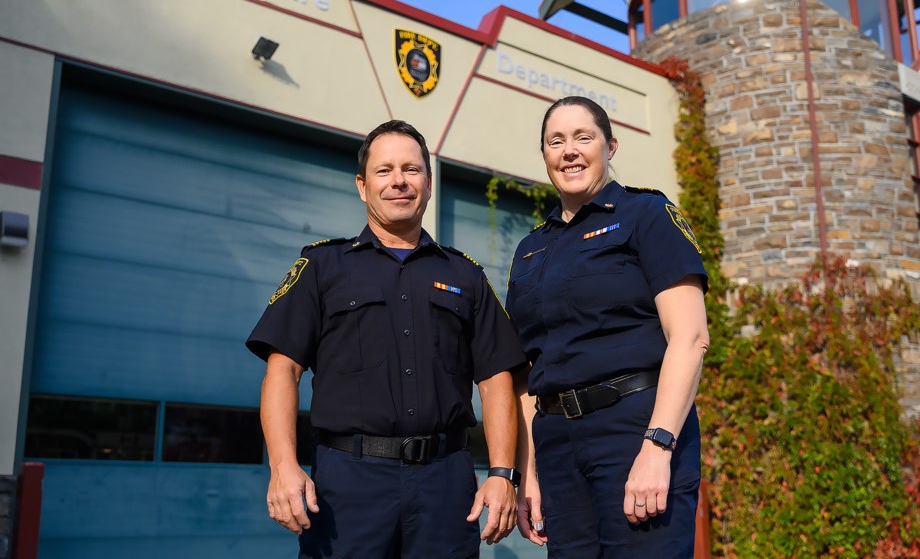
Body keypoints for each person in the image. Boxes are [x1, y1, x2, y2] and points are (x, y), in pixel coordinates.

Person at [246, 120, 526, 558]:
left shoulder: (465, 275)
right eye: (384, 170)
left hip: (446, 485)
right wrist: (282, 465)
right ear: (362, 185)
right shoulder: (322, 267)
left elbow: (496, 380)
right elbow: (283, 370)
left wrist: (502, 473)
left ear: (429, 184)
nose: (399, 181)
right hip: (347, 486)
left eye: (411, 170)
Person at [506, 96, 710, 558]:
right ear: (544, 156)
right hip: (557, 442)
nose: (569, 150)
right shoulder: (531, 249)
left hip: (634, 428)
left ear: (610, 145)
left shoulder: (646, 216)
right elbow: (525, 367)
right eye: (556, 141)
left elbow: (691, 337)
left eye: (583, 137)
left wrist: (658, 446)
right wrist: (529, 469)